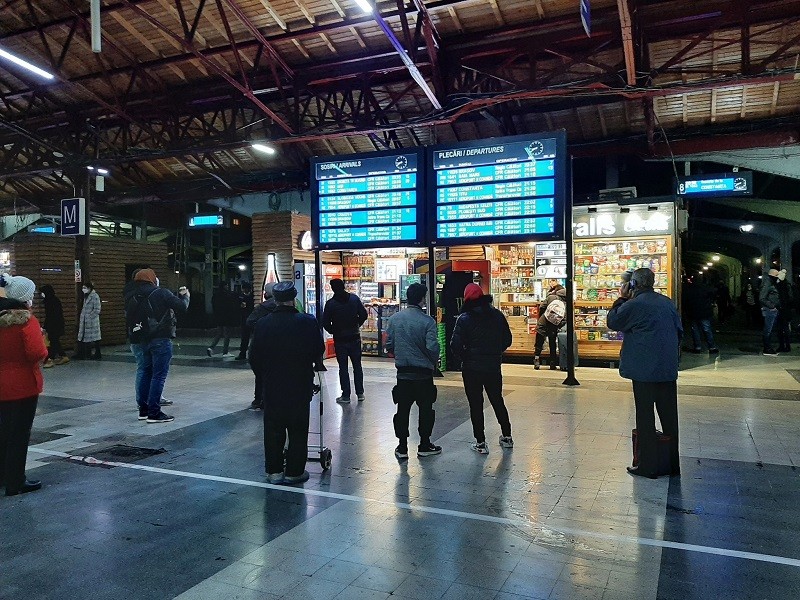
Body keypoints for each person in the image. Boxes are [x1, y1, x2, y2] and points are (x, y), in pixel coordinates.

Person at [607, 268, 682, 479]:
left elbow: (613, 321)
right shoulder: (667, 302)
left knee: (645, 417)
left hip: (644, 372)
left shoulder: (633, 304)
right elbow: (679, 330)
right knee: (669, 417)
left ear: (633, 285)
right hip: (667, 370)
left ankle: (648, 466)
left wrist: (621, 299)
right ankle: (672, 464)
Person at [249, 281, 324, 485]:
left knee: (273, 428)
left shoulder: (263, 323)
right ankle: (294, 471)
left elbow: (253, 356)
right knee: (298, 428)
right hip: (300, 383)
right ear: (294, 298)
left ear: (275, 298)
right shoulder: (307, 321)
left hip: (273, 384)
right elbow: (318, 350)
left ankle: (273, 471)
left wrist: (264, 376)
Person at [450, 283, 514, 455]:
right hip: (493, 366)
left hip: (471, 368)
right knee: (497, 400)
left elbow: (454, 345)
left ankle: (480, 442)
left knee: (476, 404)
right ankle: (507, 436)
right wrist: (495, 352)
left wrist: (464, 357)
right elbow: (508, 339)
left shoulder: (463, 318)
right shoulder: (497, 315)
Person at [0, 275, 48, 496]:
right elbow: (37, 353)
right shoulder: (27, 321)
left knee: (3, 433)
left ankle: (2, 477)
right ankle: (15, 482)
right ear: (26, 297)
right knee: (19, 435)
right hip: (22, 386)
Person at [124, 269, 190, 423]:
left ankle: (143, 410)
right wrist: (186, 296)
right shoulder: (161, 293)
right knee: (158, 375)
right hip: (160, 338)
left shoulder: (131, 295)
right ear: (151, 279)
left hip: (142, 339)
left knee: (145, 372)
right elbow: (182, 307)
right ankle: (154, 412)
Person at [385, 283, 441, 460]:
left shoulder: (395, 319)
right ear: (422, 299)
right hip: (423, 375)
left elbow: (389, 345)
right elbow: (432, 347)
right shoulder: (428, 321)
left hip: (403, 374)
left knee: (402, 410)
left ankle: (402, 447)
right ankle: (424, 444)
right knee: (426, 410)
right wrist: (433, 361)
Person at [323, 278, 368, 404]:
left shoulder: (331, 304)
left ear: (333, 288)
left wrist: (333, 331)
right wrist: (357, 324)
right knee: (357, 366)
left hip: (340, 340)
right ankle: (360, 393)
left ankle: (346, 395)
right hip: (354, 337)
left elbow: (325, 322)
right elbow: (364, 314)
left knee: (343, 368)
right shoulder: (353, 299)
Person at [244, 282, 277, 410]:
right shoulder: (288, 306)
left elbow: (249, 322)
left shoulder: (262, 308)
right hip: (278, 347)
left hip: (260, 346)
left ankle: (259, 399)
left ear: (266, 293)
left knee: (260, 375)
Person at [681, 279, 719, 354]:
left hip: (693, 312)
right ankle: (711, 347)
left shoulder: (689, 289)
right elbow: (713, 292)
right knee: (707, 329)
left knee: (695, 330)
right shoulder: (705, 288)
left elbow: (685, 300)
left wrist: (686, 311)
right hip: (704, 312)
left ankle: (697, 347)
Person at [533, 283, 565, 370]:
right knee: (552, 344)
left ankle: (536, 359)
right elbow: (565, 317)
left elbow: (542, 307)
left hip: (543, 322)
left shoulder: (550, 297)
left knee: (539, 343)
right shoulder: (565, 301)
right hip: (554, 325)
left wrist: (541, 318)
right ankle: (552, 363)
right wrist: (559, 325)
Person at [39, 285, 69, 367]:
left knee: (53, 341)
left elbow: (50, 315)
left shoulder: (50, 301)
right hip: (56, 324)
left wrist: (45, 326)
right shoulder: (53, 299)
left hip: (54, 325)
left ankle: (51, 359)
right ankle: (62, 356)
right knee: (54, 341)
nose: (42, 294)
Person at [207, 282, 236, 357]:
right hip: (226, 317)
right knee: (227, 334)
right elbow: (230, 305)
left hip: (218, 317)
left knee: (219, 333)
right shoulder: (227, 295)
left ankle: (211, 347)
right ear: (224, 286)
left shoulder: (215, 295)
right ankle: (225, 352)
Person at [75, 282, 101, 360]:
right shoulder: (86, 296)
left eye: (85, 288)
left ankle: (96, 353)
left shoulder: (95, 296)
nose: (83, 289)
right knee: (85, 337)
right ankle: (86, 353)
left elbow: (97, 309)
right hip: (85, 320)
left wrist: (90, 316)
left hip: (91, 321)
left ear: (89, 288)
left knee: (94, 338)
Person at [760, 269, 782, 355]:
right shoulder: (768, 283)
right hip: (770, 309)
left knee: (769, 329)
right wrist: (772, 306)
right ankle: (767, 348)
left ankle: (768, 347)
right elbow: (762, 297)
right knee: (768, 330)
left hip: (770, 309)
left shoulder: (768, 282)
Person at [235, 282, 255, 360]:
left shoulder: (252, 296)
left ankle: (253, 353)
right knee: (244, 337)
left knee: (254, 336)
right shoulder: (241, 296)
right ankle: (242, 353)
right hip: (244, 319)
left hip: (252, 318)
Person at [775, 269, 793, 353]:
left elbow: (780, 298)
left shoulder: (780, 285)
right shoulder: (788, 284)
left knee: (780, 329)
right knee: (786, 329)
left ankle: (782, 346)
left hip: (781, 310)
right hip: (787, 310)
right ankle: (787, 346)